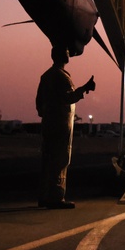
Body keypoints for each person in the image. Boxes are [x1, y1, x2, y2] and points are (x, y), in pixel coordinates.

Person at [36, 46, 95, 209]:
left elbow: (39, 102)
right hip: (61, 123)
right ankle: (56, 197)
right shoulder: (61, 77)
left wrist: (47, 114)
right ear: (63, 56)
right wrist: (85, 88)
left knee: (47, 159)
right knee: (60, 158)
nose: (69, 53)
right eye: (67, 51)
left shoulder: (46, 76)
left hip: (49, 122)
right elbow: (70, 97)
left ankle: (44, 195)